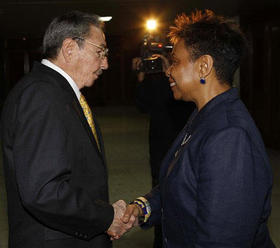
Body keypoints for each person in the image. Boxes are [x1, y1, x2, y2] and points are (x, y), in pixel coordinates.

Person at [120, 9, 275, 247]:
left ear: (204, 67)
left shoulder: (229, 136)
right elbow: (184, 185)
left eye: (176, 62)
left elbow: (222, 239)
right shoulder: (204, 115)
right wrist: (143, 207)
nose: (168, 70)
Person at [0, 11, 134, 248]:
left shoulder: (57, 92)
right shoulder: (42, 95)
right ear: (70, 48)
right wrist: (106, 218)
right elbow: (44, 192)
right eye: (100, 52)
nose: (105, 63)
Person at [132, 54, 195, 248]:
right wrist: (141, 74)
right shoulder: (156, 78)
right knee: (161, 185)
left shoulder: (188, 83)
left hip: (179, 137)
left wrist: (171, 72)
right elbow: (142, 105)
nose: (168, 69)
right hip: (159, 143)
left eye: (175, 62)